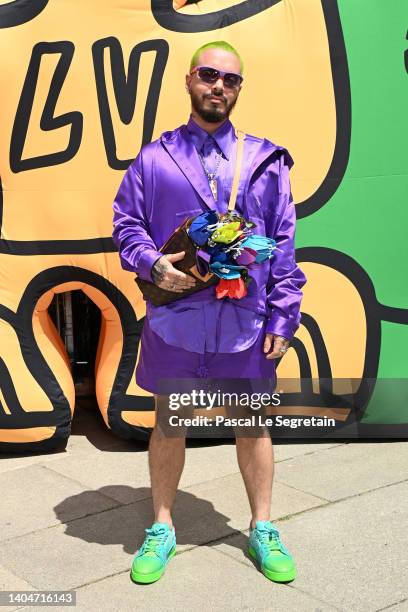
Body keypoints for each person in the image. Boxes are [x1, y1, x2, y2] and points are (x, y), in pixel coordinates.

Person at [112, 40, 306, 585]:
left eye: (231, 79)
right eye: (209, 74)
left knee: (252, 425)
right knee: (171, 423)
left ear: (239, 88)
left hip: (245, 323)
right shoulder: (154, 158)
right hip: (177, 320)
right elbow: (126, 224)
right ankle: (163, 525)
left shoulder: (264, 159)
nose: (219, 85)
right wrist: (151, 263)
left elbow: (284, 240)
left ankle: (263, 526)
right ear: (190, 80)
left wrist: (284, 316)